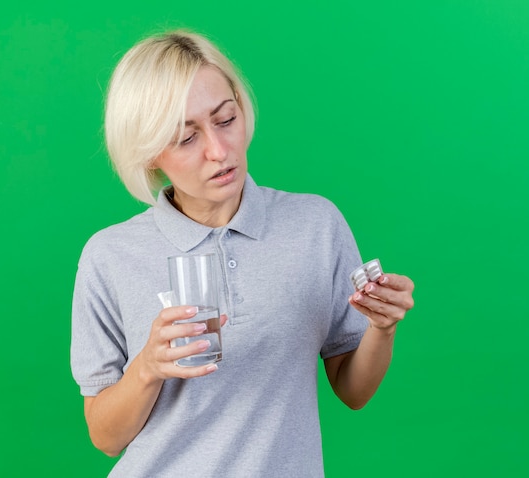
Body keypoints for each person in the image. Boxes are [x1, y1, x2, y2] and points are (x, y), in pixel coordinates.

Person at [71, 30, 415, 477]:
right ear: (150, 153)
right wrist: (148, 368)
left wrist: (381, 328)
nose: (219, 150)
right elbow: (105, 437)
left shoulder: (315, 226)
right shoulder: (109, 257)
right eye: (185, 137)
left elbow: (353, 390)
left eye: (225, 118)